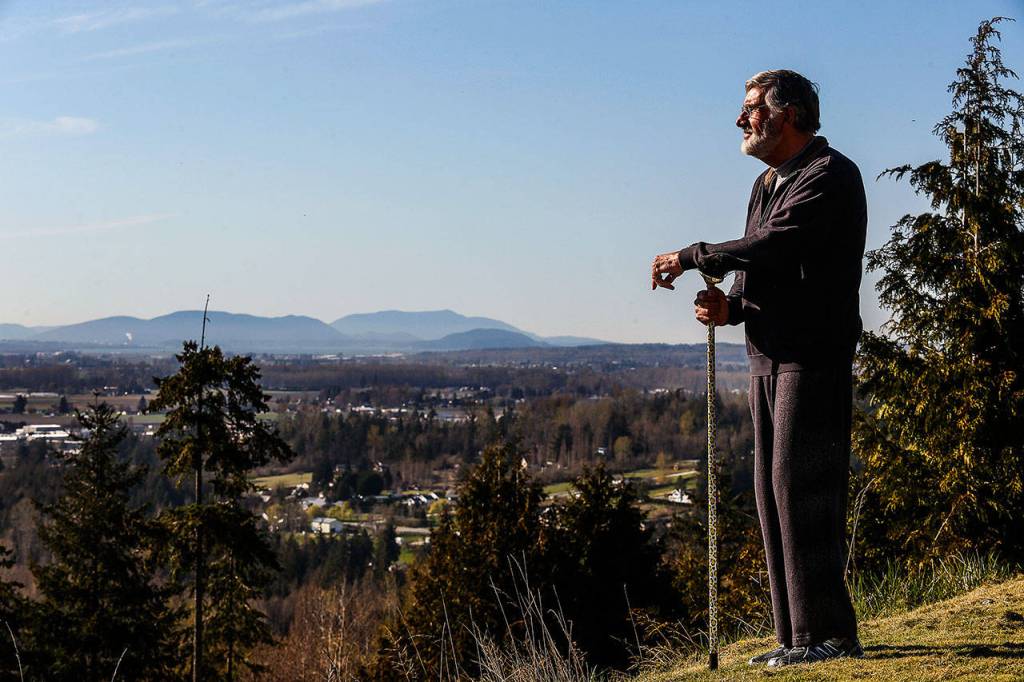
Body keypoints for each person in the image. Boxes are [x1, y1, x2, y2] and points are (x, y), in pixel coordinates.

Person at [651, 70, 866, 667]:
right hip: (768, 356)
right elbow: (764, 274)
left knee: (802, 489)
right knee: (773, 493)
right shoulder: (768, 182)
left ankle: (828, 635)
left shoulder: (829, 176)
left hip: (812, 357)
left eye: (751, 109)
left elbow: (777, 244)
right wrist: (731, 307)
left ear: (789, 113)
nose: (741, 121)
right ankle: (794, 638)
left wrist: (693, 255)